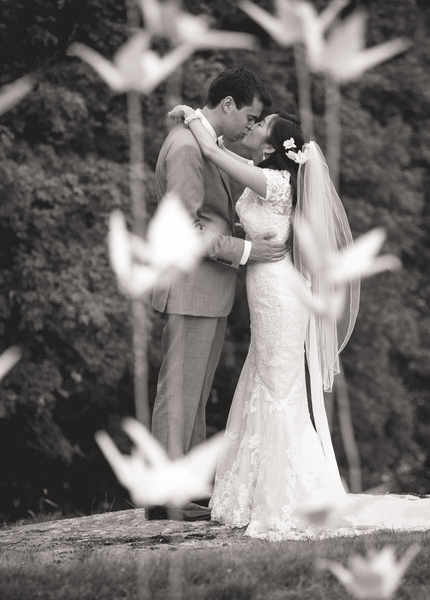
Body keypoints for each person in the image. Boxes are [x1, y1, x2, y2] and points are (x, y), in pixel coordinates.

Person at [168, 104, 430, 540]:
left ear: (273, 145)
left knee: (279, 386)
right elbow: (242, 197)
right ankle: (252, 492)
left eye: (262, 125)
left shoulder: (275, 180)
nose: (252, 125)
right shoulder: (261, 173)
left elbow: (213, 153)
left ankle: (287, 496)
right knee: (265, 379)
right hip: (265, 286)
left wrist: (193, 115)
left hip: (279, 291)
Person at [147, 66, 287, 522]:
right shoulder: (188, 148)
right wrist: (249, 250)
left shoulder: (201, 139)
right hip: (191, 287)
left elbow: (215, 214)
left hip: (205, 290)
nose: (250, 127)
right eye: (248, 117)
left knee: (195, 394)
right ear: (227, 105)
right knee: (180, 394)